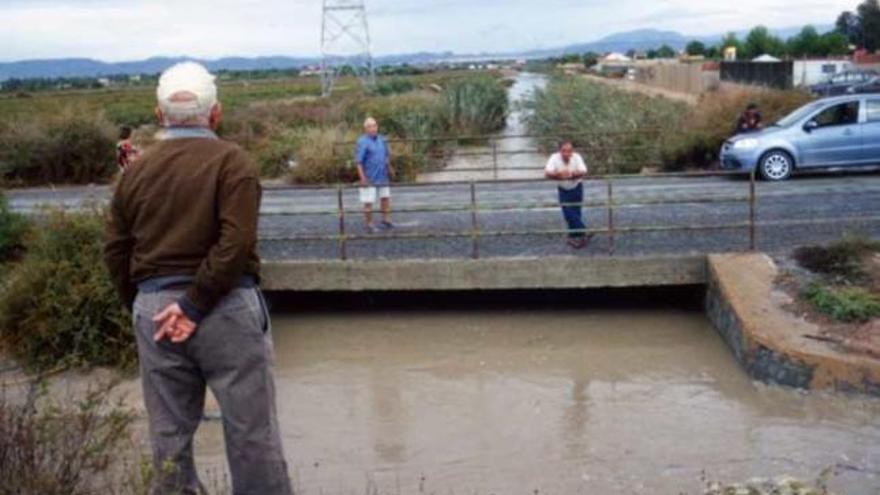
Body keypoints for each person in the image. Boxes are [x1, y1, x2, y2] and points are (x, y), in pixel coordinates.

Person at [104, 62, 292, 495]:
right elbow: (236, 243)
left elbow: (116, 250)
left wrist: (145, 306)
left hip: (155, 310)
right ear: (216, 113)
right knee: (252, 432)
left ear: (158, 114)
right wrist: (192, 304)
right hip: (226, 306)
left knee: (168, 436)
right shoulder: (233, 162)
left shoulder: (135, 172)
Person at [545, 141, 590, 249]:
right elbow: (547, 173)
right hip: (563, 189)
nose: (567, 154)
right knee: (568, 212)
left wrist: (572, 174)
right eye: (564, 151)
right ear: (559, 151)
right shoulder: (554, 158)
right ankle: (583, 232)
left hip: (577, 187)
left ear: (572, 151)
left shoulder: (577, 157)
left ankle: (574, 236)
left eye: (569, 151)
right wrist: (558, 174)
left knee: (576, 212)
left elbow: (584, 171)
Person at [355, 117, 395, 232]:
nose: (372, 128)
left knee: (385, 198)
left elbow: (386, 156)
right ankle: (369, 224)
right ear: (365, 129)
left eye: (374, 125)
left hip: (383, 175)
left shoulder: (382, 140)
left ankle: (386, 220)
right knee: (368, 201)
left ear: (377, 126)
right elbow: (358, 162)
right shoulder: (362, 142)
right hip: (369, 176)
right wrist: (363, 178)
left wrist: (390, 168)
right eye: (370, 126)